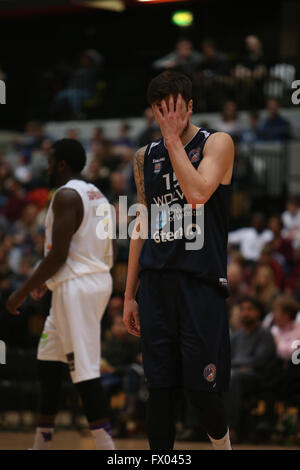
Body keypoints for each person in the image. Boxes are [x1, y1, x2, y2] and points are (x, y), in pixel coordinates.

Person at [123, 70, 234, 450]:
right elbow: (142, 226)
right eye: (160, 110)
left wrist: (173, 141)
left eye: (174, 109)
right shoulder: (144, 157)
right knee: (159, 391)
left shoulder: (217, 143)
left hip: (199, 283)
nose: (167, 117)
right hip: (155, 286)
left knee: (200, 390)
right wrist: (128, 295)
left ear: (190, 106)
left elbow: (199, 193)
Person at [6, 139, 115, 450]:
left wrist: (21, 292)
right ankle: (42, 444)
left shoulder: (66, 195)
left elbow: (58, 255)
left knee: (84, 372)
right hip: (84, 281)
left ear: (63, 164)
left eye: (51, 160)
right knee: (49, 362)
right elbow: (110, 247)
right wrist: (50, 279)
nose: (48, 165)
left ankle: (109, 450)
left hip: (77, 286)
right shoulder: (100, 196)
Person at [226, 297, 278, 441]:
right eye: (242, 310)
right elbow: (225, 358)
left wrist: (237, 366)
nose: (245, 313)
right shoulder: (236, 336)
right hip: (236, 374)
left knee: (233, 376)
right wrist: (238, 366)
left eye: (249, 309)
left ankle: (232, 428)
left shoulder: (265, 334)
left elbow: (259, 361)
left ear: (257, 312)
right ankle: (198, 427)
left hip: (258, 377)